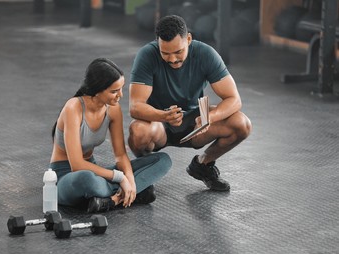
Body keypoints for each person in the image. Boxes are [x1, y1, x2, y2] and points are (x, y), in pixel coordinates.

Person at [128, 15, 252, 191]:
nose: (172, 59)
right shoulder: (147, 55)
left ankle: (203, 165)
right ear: (158, 43)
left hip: (195, 123)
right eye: (166, 53)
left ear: (188, 39)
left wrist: (210, 116)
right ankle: (145, 176)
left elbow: (234, 99)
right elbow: (135, 107)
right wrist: (164, 115)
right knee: (138, 131)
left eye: (178, 52)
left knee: (242, 124)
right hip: (159, 123)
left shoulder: (205, 54)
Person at [49, 58, 172, 213]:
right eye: (114, 91)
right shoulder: (73, 108)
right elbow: (77, 165)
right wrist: (121, 178)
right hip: (66, 176)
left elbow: (120, 155)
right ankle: (133, 193)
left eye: (121, 89)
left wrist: (131, 181)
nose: (120, 95)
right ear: (97, 90)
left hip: (95, 171)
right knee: (87, 179)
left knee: (163, 160)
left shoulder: (113, 109)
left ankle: (111, 200)